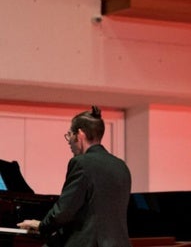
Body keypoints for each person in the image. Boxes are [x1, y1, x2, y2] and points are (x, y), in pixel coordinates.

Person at [17, 106, 132, 247]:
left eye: (70, 135)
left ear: (80, 134)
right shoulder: (121, 166)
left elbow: (64, 210)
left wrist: (41, 225)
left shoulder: (81, 163)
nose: (69, 141)